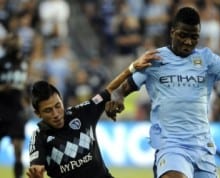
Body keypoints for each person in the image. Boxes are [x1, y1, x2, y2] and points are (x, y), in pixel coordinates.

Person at [105, 6, 220, 178]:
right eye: (183, 35)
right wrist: (118, 99)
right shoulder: (154, 59)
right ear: (172, 33)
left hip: (203, 147)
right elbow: (122, 90)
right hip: (171, 144)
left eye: (194, 37)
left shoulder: (207, 59)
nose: (188, 42)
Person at [26, 50, 160, 178]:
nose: (56, 114)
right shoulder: (39, 136)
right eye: (48, 110)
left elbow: (108, 91)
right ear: (38, 114)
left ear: (62, 101)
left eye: (58, 106)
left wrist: (132, 68)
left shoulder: (81, 113)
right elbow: (36, 168)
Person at [0, 33, 29, 178]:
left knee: (18, 147)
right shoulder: (1, 62)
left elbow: (25, 84)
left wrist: (27, 99)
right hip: (2, 106)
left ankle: (18, 176)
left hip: (17, 107)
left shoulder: (24, 62)